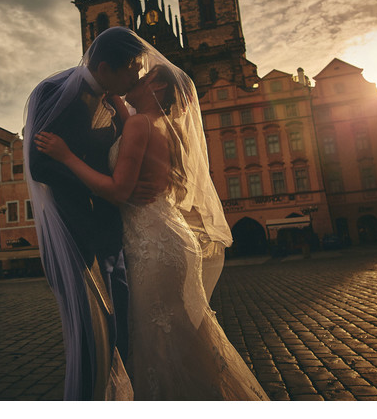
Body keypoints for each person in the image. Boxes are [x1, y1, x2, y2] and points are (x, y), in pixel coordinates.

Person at [34, 47, 269, 401]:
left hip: (153, 248)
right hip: (171, 236)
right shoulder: (162, 125)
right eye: (129, 70)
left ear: (157, 87)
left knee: (156, 344)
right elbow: (127, 112)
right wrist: (108, 86)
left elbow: (116, 191)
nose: (135, 76)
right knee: (182, 337)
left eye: (141, 76)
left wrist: (66, 156)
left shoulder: (141, 124)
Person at [24, 27, 156, 400]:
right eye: (130, 68)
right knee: (91, 337)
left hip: (112, 231)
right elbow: (39, 164)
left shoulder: (112, 100)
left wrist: (124, 188)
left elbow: (109, 156)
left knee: (120, 331)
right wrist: (107, 188)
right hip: (76, 231)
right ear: (103, 67)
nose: (136, 76)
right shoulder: (54, 92)